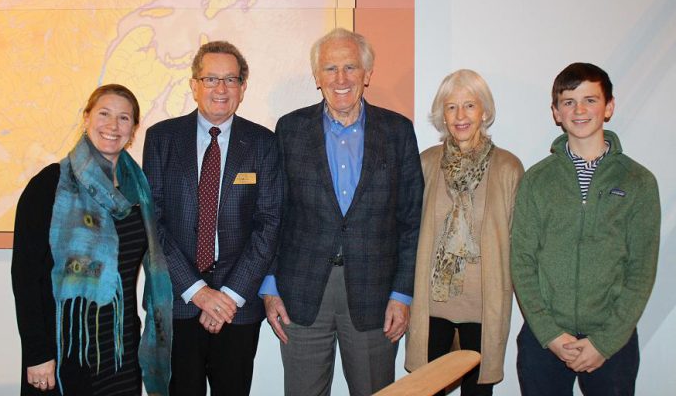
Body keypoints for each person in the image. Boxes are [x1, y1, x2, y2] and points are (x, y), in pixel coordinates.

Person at [260, 28, 424, 396]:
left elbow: (412, 220)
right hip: (300, 292)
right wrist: (270, 288)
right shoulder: (289, 129)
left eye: (351, 67)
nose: (341, 79)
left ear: (367, 74)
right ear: (317, 78)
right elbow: (274, 215)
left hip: (376, 294)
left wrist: (402, 294)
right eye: (330, 69)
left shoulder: (398, 131)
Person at [11, 84, 173, 396]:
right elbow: (26, 277)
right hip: (66, 347)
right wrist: (37, 353)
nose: (113, 126)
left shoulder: (137, 191)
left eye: (124, 118)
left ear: (133, 129)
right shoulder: (50, 186)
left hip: (121, 344)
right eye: (104, 114)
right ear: (87, 118)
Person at [511, 62, 661, 396]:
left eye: (590, 100)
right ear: (556, 112)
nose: (579, 110)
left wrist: (604, 342)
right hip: (544, 339)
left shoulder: (638, 182)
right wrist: (551, 334)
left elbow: (641, 270)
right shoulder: (537, 180)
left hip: (611, 341)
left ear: (608, 107)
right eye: (568, 101)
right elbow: (521, 261)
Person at [143, 41, 282, 396]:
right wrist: (198, 292)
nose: (221, 89)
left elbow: (269, 224)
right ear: (194, 85)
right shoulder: (161, 139)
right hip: (178, 300)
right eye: (211, 79)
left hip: (238, 305)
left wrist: (229, 295)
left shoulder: (264, 143)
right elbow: (151, 223)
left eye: (231, 80)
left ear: (243, 88)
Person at [405, 69, 524, 395]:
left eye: (469, 106)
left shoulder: (508, 168)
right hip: (432, 306)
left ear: (484, 111)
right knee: (427, 390)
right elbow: (407, 232)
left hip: (482, 307)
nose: (460, 116)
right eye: (451, 107)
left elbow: (518, 243)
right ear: (442, 114)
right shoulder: (426, 163)